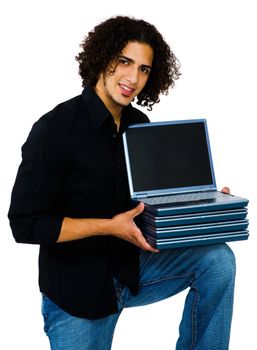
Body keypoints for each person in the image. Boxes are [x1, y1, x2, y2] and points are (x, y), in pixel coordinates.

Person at [8, 16, 236, 350]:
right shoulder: (54, 130)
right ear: (102, 58)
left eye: (144, 69)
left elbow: (148, 197)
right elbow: (25, 225)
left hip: (132, 269)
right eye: (124, 61)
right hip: (78, 291)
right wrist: (108, 227)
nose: (133, 78)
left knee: (217, 261)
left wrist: (201, 202)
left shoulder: (138, 124)